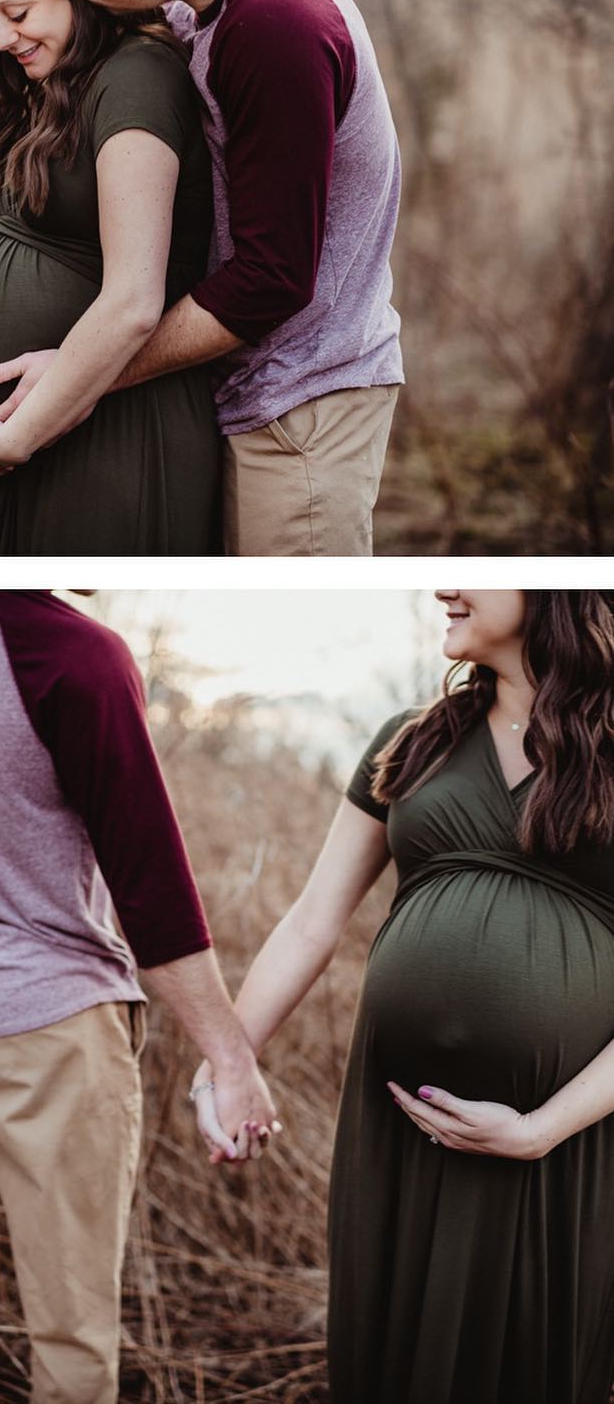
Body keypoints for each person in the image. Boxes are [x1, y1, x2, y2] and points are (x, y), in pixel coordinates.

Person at [189, 589, 614, 1403]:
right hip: (398, 1128)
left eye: (472, 575)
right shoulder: (414, 741)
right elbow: (311, 921)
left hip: (559, 1143)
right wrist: (225, 1061)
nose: (442, 587)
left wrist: (539, 1130)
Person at [0, 0, 403, 557]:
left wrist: (71, 379)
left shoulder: (276, 31)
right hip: (236, 388)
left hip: (300, 404)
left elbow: (271, 280)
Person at [0, 588, 278, 1402]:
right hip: (52, 1027)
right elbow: (150, 885)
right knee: (71, 1335)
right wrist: (229, 1058)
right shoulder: (70, 652)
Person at [0, 0, 221, 555]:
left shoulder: (137, 78)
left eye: (17, 12)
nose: (1, 39)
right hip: (54, 425)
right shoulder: (55, 86)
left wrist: (16, 434)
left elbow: (133, 301)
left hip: (116, 433)